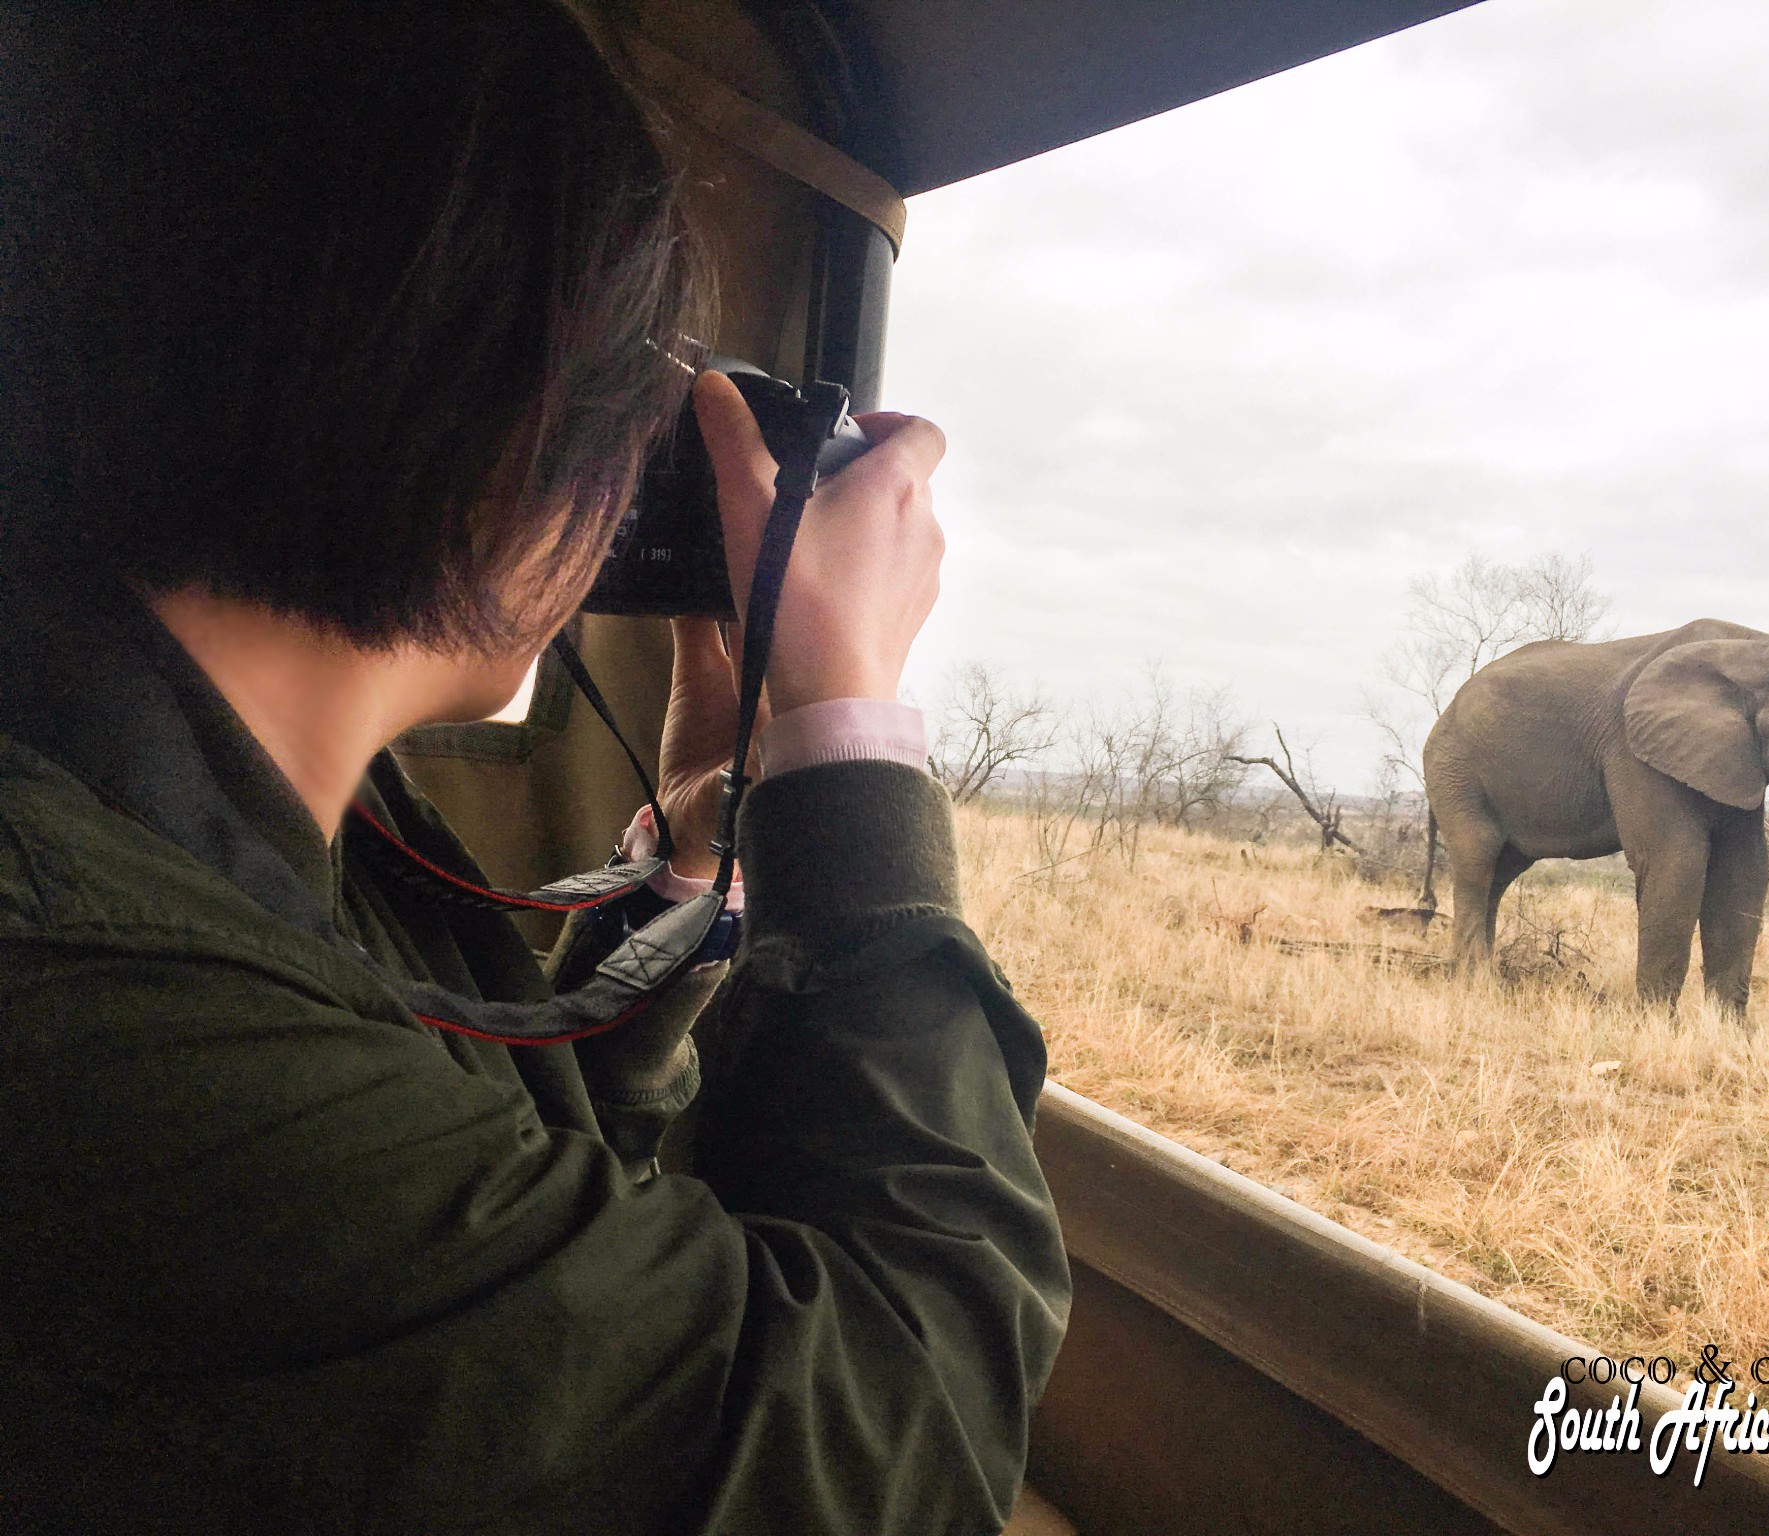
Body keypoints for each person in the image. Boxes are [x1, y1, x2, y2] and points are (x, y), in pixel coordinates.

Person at [0, 3, 1069, 1532]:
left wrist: (698, 850)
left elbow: (492, 1215)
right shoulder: (88, 995)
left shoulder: (209, 805)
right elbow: (905, 1437)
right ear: (488, 396)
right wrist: (844, 727)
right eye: (629, 384)